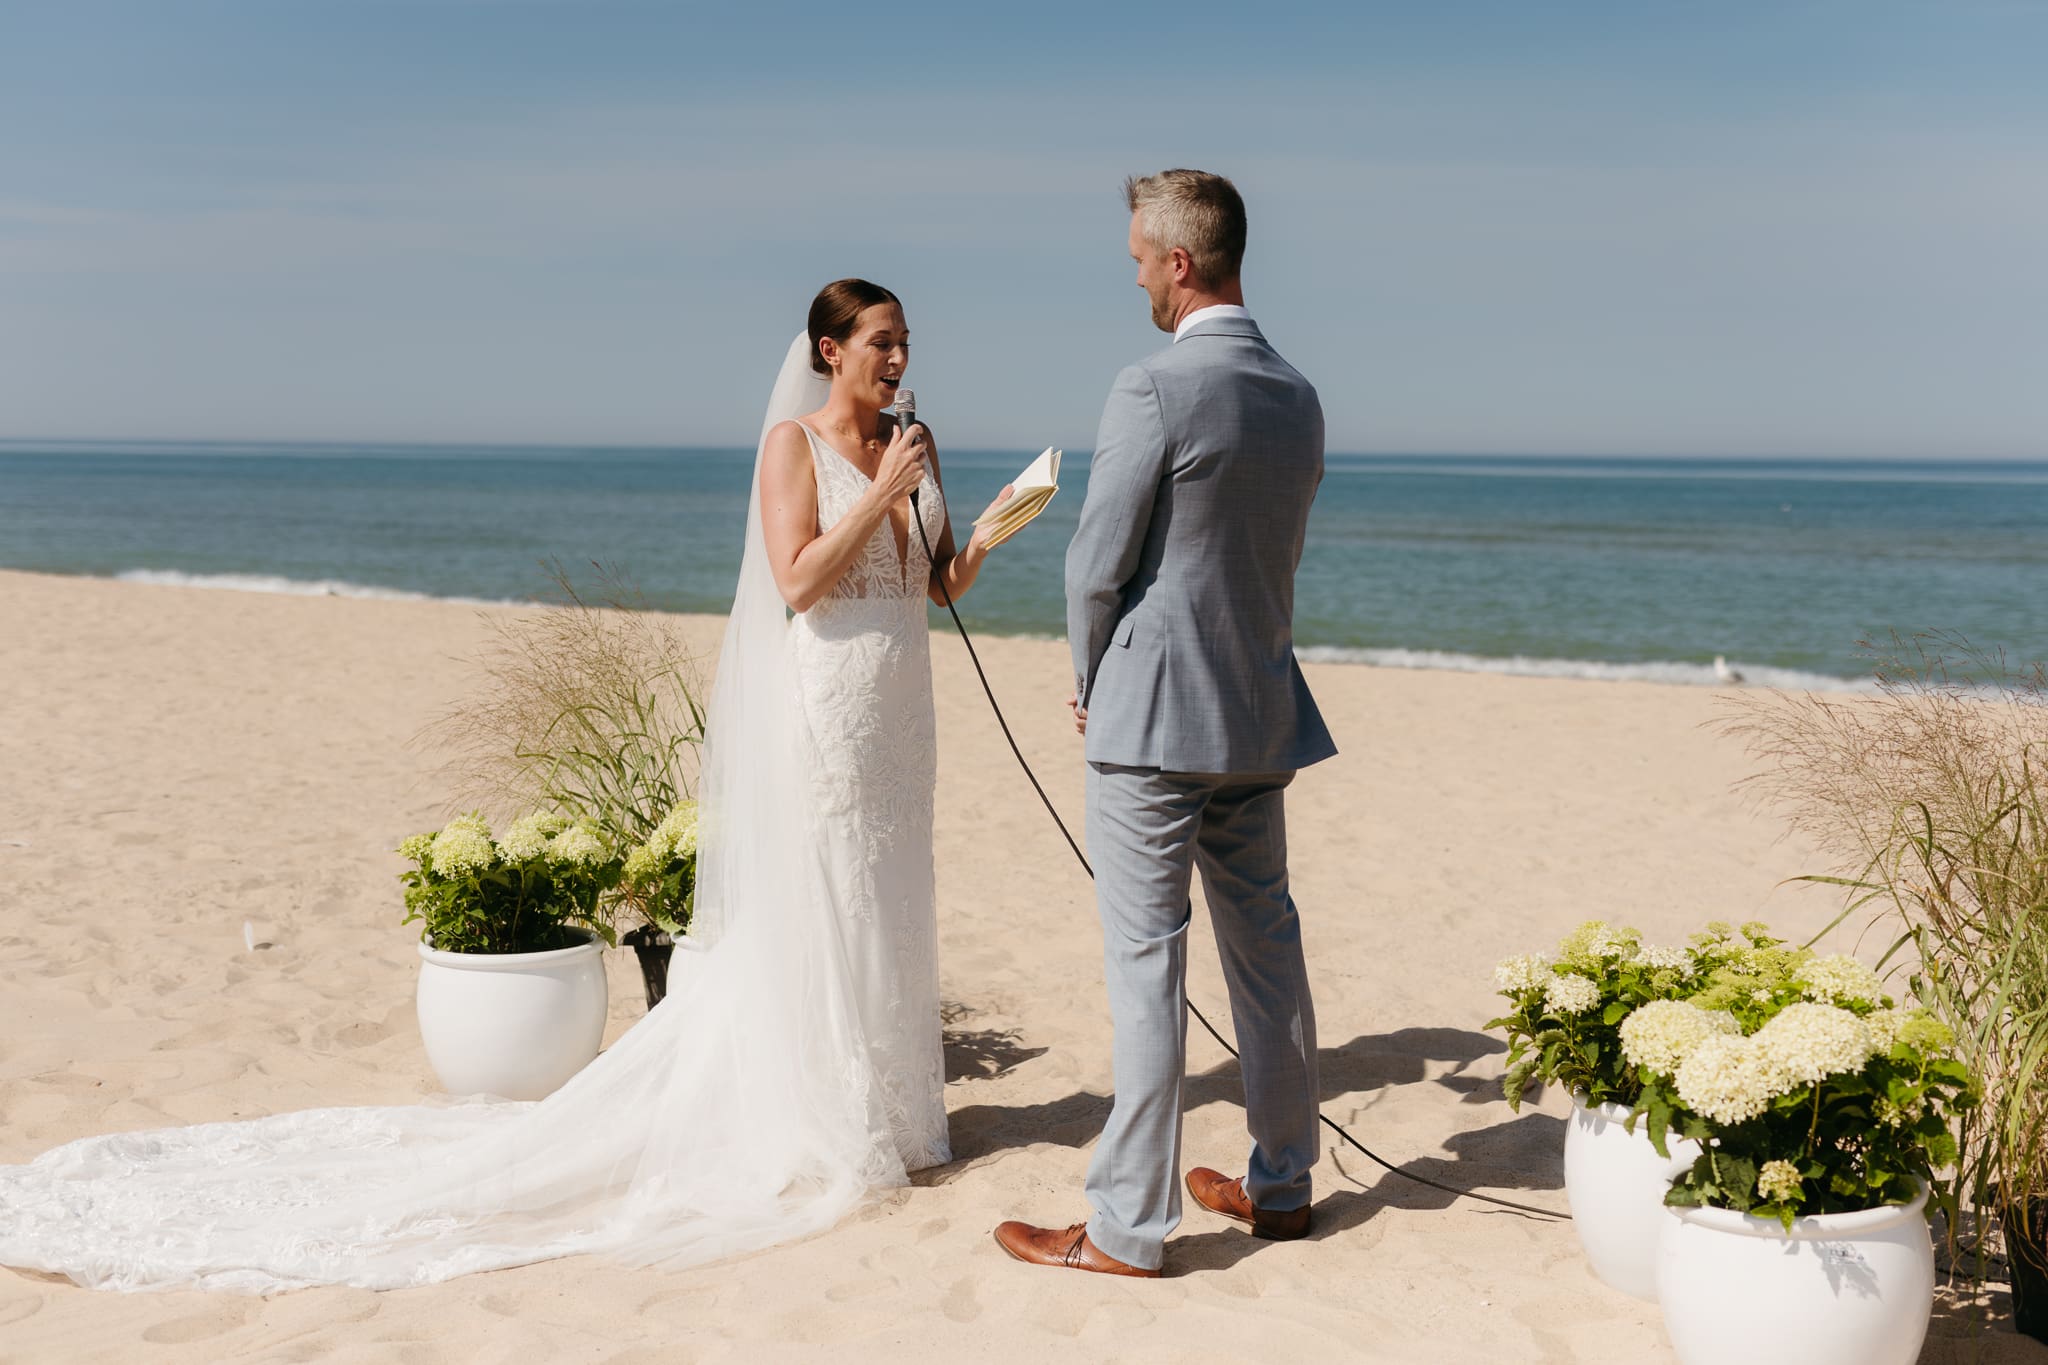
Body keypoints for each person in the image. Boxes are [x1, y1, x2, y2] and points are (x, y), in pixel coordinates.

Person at [0, 280, 1013, 1292]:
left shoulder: (910, 443)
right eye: (880, 343)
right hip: (829, 703)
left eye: (904, 343)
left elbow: (931, 584)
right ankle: (823, 1116)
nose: (898, 361)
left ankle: (895, 1113)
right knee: (826, 895)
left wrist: (984, 535)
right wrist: (879, 493)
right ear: (828, 350)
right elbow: (795, 581)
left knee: (891, 893)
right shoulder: (795, 446)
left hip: (903, 711)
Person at [995, 170, 1337, 1278]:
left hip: (1149, 722)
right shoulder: (1297, 393)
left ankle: (1124, 1229)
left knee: (1147, 968)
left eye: (1142, 258)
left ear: (1180, 263)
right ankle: (1281, 1187)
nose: (1136, 274)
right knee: (1267, 956)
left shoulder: (1152, 385)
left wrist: (1093, 678)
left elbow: (1098, 562)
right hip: (1254, 711)